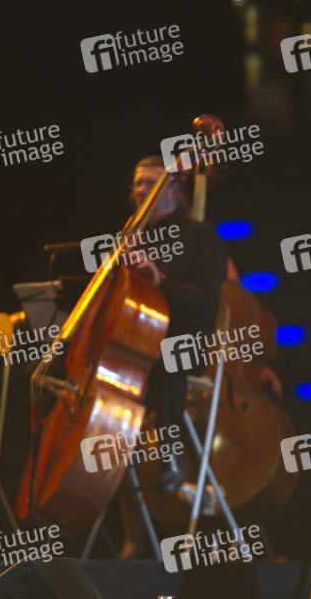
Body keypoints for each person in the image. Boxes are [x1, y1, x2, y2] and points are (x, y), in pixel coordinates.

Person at [119, 155, 228, 557]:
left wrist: (160, 281)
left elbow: (206, 305)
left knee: (167, 358)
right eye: (137, 184)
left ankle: (172, 451)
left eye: (150, 184)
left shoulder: (201, 236)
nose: (140, 191)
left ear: (173, 192)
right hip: (133, 346)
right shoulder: (130, 239)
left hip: (181, 345)